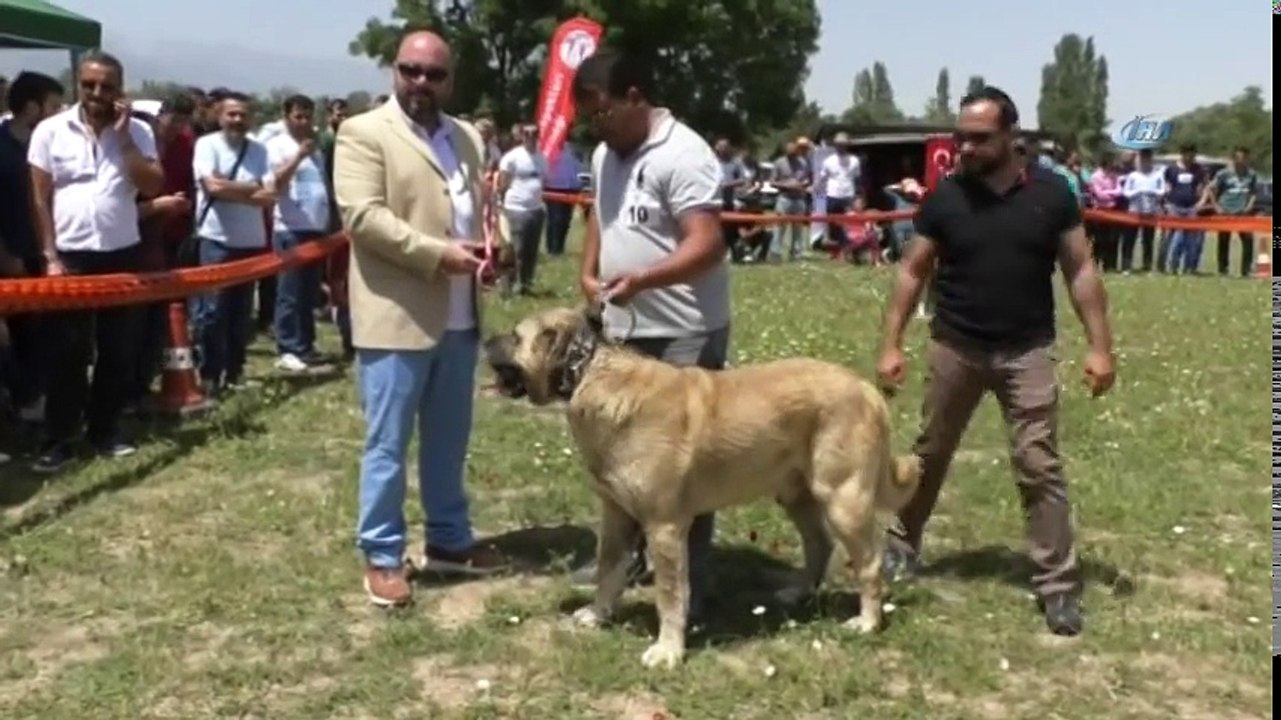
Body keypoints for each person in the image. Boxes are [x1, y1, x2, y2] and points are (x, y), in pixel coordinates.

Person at [876, 86, 1116, 637]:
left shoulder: (1053, 195)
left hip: (1026, 349)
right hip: (955, 344)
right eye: (961, 137)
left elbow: (1080, 271)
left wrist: (1100, 346)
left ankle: (1057, 586)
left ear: (1011, 137)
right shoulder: (945, 197)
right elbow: (913, 271)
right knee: (930, 453)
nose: (965, 147)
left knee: (1039, 464)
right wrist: (890, 343)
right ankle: (902, 545)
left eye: (980, 138)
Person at [334, 30, 508, 608]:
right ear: (394, 71)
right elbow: (364, 217)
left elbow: (482, 210)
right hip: (395, 316)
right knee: (387, 444)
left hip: (460, 319)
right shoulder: (362, 133)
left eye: (434, 74)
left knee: (448, 441)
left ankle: (450, 541)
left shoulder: (465, 137)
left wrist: (496, 243)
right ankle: (383, 554)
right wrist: (438, 255)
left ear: (449, 80)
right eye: (411, 70)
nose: (421, 83)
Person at [570, 47, 731, 625]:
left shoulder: (684, 154)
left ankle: (692, 589)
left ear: (635, 97)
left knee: (685, 471)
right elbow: (600, 214)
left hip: (683, 334)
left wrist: (646, 278)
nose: (598, 125)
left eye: (603, 112)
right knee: (617, 461)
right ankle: (623, 565)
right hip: (623, 333)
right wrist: (590, 271)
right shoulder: (607, 151)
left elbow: (706, 243)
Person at [27, 52, 165, 472]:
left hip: (122, 253)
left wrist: (123, 140)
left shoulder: (139, 133)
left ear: (120, 89)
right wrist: (49, 256)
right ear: (77, 84)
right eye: (89, 84)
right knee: (68, 352)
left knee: (118, 350)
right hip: (69, 257)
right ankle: (59, 438)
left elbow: (153, 184)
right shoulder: (50, 131)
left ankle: (104, 430)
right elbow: (39, 198)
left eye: (106, 86)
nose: (97, 93)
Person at [191, 92, 275, 397]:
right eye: (232, 114)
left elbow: (270, 195)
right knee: (212, 312)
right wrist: (251, 189)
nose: (238, 120)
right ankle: (210, 374)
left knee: (240, 314)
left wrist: (231, 187)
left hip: (251, 242)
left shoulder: (259, 150)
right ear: (219, 115)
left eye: (243, 115)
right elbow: (210, 186)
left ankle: (235, 372)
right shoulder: (206, 145)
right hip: (216, 239)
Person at [0, 71, 64, 424]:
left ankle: (33, 400)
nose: (60, 114)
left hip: (43, 257)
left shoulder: (49, 149)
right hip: (9, 259)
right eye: (53, 107)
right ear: (30, 108)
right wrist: (5, 256)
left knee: (41, 334)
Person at [266, 94, 330, 372]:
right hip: (290, 228)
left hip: (316, 228)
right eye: (298, 116)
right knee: (289, 291)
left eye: (308, 116)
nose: (304, 122)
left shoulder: (316, 148)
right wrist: (297, 157)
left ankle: (305, 345)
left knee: (309, 292)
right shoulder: (277, 146)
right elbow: (274, 184)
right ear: (286, 116)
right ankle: (288, 347)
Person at [497, 123, 549, 296]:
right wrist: (501, 205)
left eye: (534, 134)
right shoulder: (512, 157)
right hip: (516, 209)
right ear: (521, 136)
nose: (530, 137)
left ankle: (526, 285)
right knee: (515, 251)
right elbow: (503, 183)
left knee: (531, 251)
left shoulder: (542, 157)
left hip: (536, 209)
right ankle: (508, 287)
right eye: (527, 134)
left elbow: (544, 182)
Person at [1207, 147, 1258, 277]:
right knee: (1224, 240)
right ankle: (1223, 269)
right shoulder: (1223, 174)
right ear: (1234, 159)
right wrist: (1216, 206)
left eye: (1244, 158)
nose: (1242, 161)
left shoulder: (1251, 174)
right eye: (1239, 158)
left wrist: (1249, 206)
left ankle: (1246, 270)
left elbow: (1253, 192)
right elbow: (1211, 189)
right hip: (1226, 211)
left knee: (1248, 240)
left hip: (1243, 212)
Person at [1162, 143, 1207, 275]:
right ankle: (1172, 266)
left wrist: (1201, 202)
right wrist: (1167, 203)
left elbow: (1205, 187)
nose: (1191, 157)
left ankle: (1189, 267)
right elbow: (1166, 186)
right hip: (1175, 207)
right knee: (1177, 237)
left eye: (1193, 155)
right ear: (1182, 154)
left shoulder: (1198, 169)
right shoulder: (1171, 169)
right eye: (1189, 154)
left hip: (1192, 208)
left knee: (1192, 240)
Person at [1121, 149, 1164, 273]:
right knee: (1129, 240)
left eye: (1147, 158)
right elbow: (1126, 192)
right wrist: (1137, 192)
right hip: (1134, 212)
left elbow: (1162, 191)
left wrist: (1151, 192)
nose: (1145, 161)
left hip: (1151, 212)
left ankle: (1147, 266)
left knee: (1148, 240)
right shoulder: (1133, 176)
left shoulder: (1157, 174)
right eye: (1142, 159)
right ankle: (1126, 266)